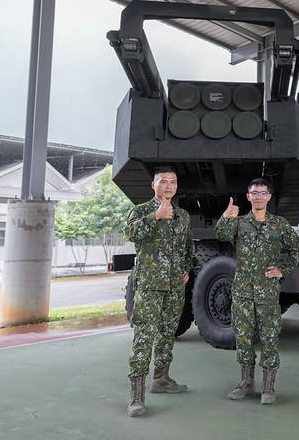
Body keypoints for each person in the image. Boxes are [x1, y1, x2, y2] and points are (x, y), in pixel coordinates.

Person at [215, 178, 299, 405]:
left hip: (267, 293)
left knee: (269, 338)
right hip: (242, 291)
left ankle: (268, 387)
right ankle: (245, 383)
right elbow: (221, 235)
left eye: (263, 193)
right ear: (248, 196)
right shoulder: (239, 223)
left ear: (269, 197)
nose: (259, 196)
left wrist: (282, 270)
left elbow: (296, 249)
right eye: (255, 192)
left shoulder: (279, 224)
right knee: (243, 338)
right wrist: (226, 216)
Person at [124, 165, 193, 417]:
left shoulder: (182, 216)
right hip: (150, 286)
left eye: (173, 182)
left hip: (175, 287)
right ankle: (136, 396)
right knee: (144, 336)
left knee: (167, 334)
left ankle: (161, 379)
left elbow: (188, 247)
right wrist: (155, 217)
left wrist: (186, 269)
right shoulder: (141, 211)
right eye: (163, 181)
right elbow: (130, 233)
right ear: (153, 185)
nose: (169, 186)